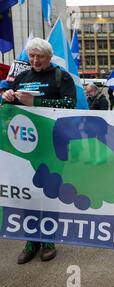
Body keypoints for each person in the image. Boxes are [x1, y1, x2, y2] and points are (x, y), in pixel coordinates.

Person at [1, 37, 77, 264]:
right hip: (24, 145)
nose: (34, 60)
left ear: (49, 57)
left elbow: (70, 104)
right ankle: (31, 240)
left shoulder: (61, 76)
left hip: (53, 145)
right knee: (27, 193)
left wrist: (37, 104)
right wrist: (6, 98)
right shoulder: (23, 76)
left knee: (48, 192)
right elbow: (9, 107)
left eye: (39, 57)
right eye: (31, 56)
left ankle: (48, 240)